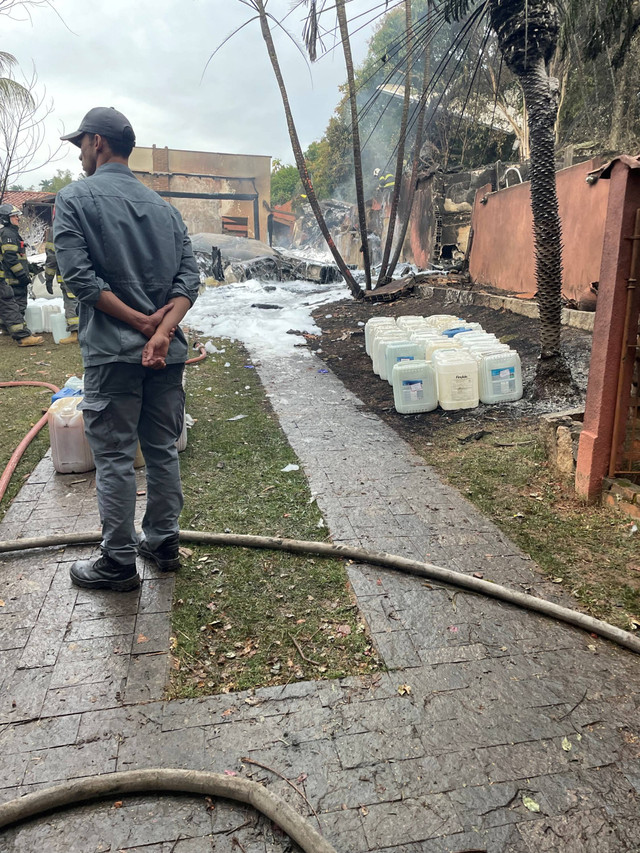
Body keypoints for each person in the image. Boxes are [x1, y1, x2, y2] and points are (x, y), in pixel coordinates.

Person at [54, 107, 200, 592]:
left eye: (80, 145)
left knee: (115, 456)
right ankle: (163, 544)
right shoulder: (166, 210)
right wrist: (161, 332)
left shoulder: (74, 200)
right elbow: (189, 279)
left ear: (97, 142)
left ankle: (118, 561)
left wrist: (139, 324)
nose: (79, 155)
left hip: (113, 356)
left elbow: (79, 280)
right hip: (167, 353)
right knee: (161, 449)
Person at [0, 203, 43, 346]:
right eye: (13, 216)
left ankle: (7, 329)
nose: (17, 218)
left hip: (9, 277)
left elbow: (17, 256)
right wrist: (22, 276)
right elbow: (10, 258)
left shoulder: (12, 233)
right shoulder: (8, 234)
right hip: (12, 279)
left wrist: (29, 268)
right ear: (5, 219)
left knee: (7, 304)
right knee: (14, 305)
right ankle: (22, 335)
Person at [44, 222, 79, 344]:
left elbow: (52, 256)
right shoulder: (83, 223)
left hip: (69, 273)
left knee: (71, 301)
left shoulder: (58, 228)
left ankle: (75, 333)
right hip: (87, 271)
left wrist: (48, 277)